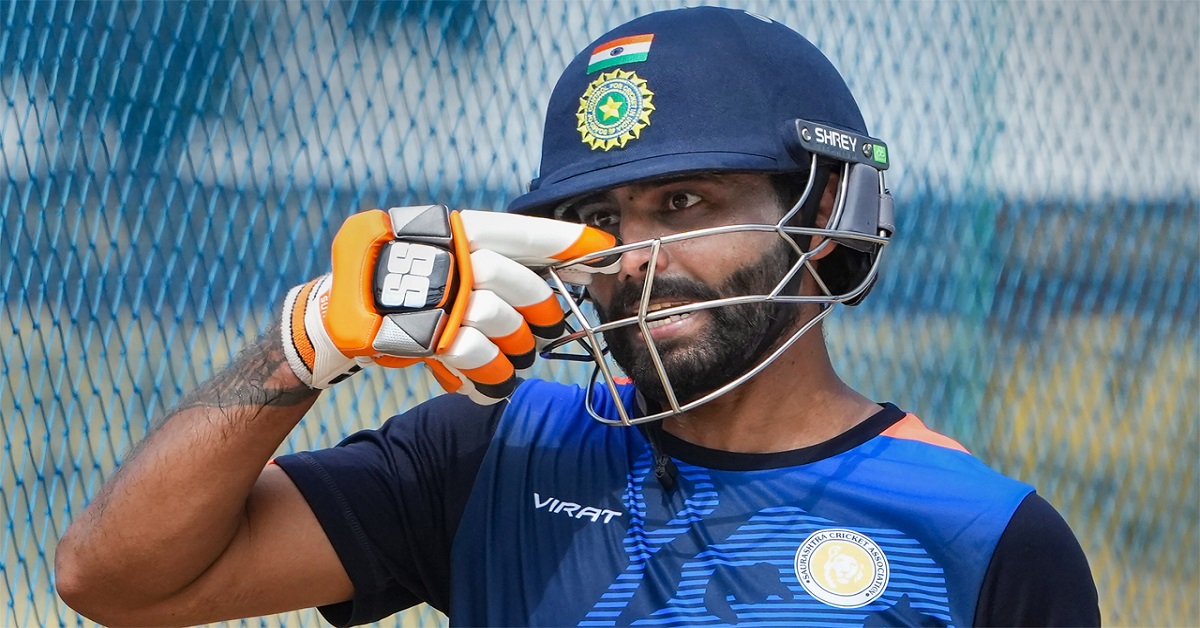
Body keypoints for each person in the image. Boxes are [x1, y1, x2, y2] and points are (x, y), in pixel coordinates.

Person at [55, 6, 1100, 627]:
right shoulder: (495, 452)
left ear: (823, 214)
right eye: (597, 220)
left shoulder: (980, 535)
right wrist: (305, 342)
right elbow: (116, 580)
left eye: (682, 202)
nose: (633, 257)